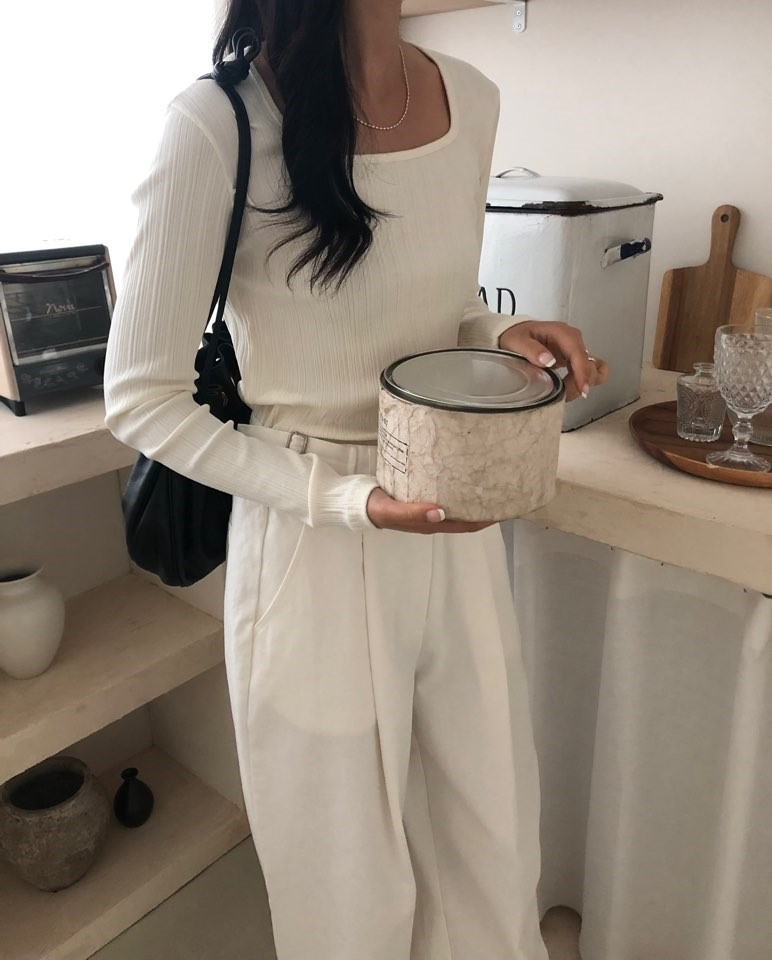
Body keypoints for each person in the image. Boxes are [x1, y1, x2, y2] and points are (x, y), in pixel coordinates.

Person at [103, 1, 609, 958]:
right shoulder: (218, 123)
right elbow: (140, 398)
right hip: (310, 539)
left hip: (449, 514)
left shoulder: (471, 97)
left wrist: (501, 331)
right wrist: (343, 500)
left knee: (490, 840)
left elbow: (437, 307)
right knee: (343, 880)